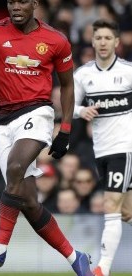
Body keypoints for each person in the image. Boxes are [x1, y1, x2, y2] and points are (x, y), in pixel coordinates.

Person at [0, 1, 92, 275]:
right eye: (11, 1)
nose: (16, 6)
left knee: (15, 168)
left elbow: (68, 84)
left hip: (37, 112)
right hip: (2, 121)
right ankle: (76, 258)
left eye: (22, 1)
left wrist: (65, 129)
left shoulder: (55, 40)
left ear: (34, 4)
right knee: (27, 201)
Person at [73, 19, 132, 276]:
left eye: (108, 38)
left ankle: (102, 270)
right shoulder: (83, 75)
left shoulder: (129, 71)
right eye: (99, 38)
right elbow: (67, 107)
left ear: (117, 42)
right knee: (127, 212)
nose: (103, 42)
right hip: (102, 151)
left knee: (110, 204)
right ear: (93, 41)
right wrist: (81, 110)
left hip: (125, 147)